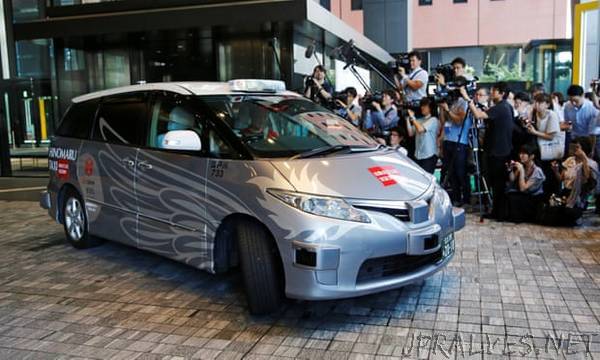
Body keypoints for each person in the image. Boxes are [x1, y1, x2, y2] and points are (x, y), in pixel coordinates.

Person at [461, 81, 513, 221]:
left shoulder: (501, 107)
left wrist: (467, 98)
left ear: (502, 93)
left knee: (498, 185)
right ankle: (496, 212)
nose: (492, 93)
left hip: (498, 152)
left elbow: (478, 115)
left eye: (494, 90)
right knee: (496, 185)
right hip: (499, 150)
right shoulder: (504, 107)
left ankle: (500, 213)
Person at [545, 137, 598, 226]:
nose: (575, 149)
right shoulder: (570, 160)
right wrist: (556, 170)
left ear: (584, 149)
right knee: (551, 211)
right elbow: (561, 179)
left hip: (579, 195)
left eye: (578, 147)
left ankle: (578, 215)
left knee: (568, 214)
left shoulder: (591, 163)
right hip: (566, 193)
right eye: (575, 147)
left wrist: (584, 159)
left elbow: (589, 180)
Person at [438, 77, 472, 206]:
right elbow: (443, 121)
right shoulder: (452, 102)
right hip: (448, 140)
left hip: (459, 141)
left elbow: (459, 120)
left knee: (460, 171)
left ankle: (466, 198)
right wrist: (442, 108)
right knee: (450, 172)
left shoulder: (464, 102)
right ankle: (456, 197)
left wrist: (447, 110)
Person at [526, 93, 562, 197]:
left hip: (551, 151)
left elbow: (551, 136)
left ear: (547, 104)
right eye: (535, 102)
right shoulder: (533, 113)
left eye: (540, 102)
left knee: (552, 179)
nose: (536, 105)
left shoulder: (552, 115)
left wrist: (535, 132)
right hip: (539, 151)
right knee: (543, 179)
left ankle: (554, 202)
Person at [505, 145, 546, 223]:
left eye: (524, 154)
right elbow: (512, 179)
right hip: (525, 195)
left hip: (535, 198)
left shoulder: (537, 171)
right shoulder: (523, 165)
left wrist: (522, 171)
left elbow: (523, 188)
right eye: (520, 153)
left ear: (532, 156)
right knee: (509, 193)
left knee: (515, 198)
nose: (521, 156)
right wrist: (510, 170)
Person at [406, 97, 440, 174]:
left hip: (429, 154)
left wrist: (412, 117)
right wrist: (407, 119)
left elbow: (420, 129)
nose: (422, 108)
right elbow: (411, 133)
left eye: (425, 106)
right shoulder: (420, 120)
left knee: (427, 177)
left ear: (431, 107)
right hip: (418, 154)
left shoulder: (433, 120)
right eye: (421, 105)